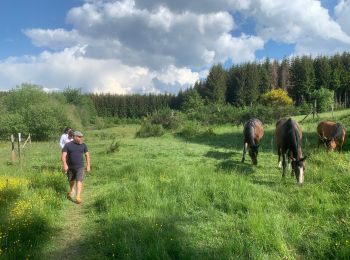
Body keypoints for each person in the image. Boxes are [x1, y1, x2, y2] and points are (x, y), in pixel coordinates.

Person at [61, 131, 90, 204]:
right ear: (75, 137)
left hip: (80, 167)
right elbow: (63, 156)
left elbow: (87, 155)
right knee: (71, 181)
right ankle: (71, 190)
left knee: (79, 180)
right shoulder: (67, 145)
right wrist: (65, 164)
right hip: (70, 167)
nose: (81, 138)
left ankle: (78, 197)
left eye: (81, 137)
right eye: (79, 137)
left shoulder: (83, 145)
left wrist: (88, 165)